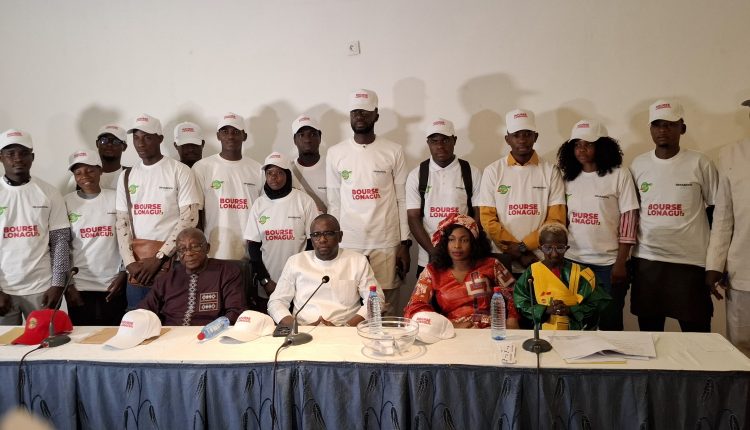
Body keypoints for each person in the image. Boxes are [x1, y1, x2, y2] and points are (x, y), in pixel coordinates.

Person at [630, 99, 718, 332]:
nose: (663, 130)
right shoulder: (639, 164)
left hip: (690, 263)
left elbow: (717, 212)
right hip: (647, 261)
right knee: (650, 334)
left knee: (697, 335)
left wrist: (716, 261)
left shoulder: (700, 163)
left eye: (670, 124)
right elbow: (632, 213)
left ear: (682, 128)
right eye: (657, 124)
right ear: (650, 129)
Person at [327, 89, 410, 316]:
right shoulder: (336, 153)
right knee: (349, 304)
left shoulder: (393, 151)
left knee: (386, 306)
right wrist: (335, 245)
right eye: (355, 112)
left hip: (386, 242)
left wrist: (404, 243)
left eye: (364, 112)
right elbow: (334, 203)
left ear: (376, 115)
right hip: (349, 243)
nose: (359, 116)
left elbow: (402, 199)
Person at [556, 120, 639, 331]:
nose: (581, 149)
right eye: (577, 144)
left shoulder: (619, 174)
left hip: (609, 264)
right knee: (578, 323)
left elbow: (629, 219)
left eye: (588, 144)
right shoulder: (568, 178)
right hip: (574, 262)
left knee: (610, 322)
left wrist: (621, 262)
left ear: (602, 146)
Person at [115, 113, 202, 310]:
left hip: (174, 263)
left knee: (175, 320)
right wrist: (129, 263)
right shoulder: (126, 175)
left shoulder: (179, 170)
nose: (140, 143)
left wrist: (159, 258)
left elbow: (189, 219)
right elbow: (122, 223)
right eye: (136, 137)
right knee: (138, 320)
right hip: (138, 268)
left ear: (160, 139)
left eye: (147, 137)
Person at [477, 108, 566, 277]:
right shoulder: (493, 171)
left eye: (527, 134)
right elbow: (488, 219)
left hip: (540, 257)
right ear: (507, 139)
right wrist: (517, 252)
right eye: (516, 135)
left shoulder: (551, 171)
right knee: (502, 295)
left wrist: (524, 247)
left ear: (535, 137)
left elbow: (556, 219)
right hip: (503, 257)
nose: (522, 140)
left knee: (540, 295)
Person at [0, 129, 74, 325]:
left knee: (45, 340)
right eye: (10, 153)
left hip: (42, 288)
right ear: (1, 157)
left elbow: (60, 241)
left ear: (32, 157)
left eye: (24, 153)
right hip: (4, 290)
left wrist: (57, 284)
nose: (18, 158)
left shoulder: (49, 193)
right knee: (5, 344)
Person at [403, 214, 519, 329]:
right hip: (451, 331)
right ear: (445, 243)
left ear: (473, 243)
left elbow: (515, 295)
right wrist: (450, 325)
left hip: (489, 330)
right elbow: (414, 308)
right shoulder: (432, 271)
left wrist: (512, 319)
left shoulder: (491, 265)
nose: (457, 246)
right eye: (451, 240)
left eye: (464, 240)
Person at [268, 214, 382, 327]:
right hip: (303, 329)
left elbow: (376, 299)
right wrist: (295, 327)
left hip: (345, 330)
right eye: (316, 235)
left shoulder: (357, 261)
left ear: (340, 236)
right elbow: (276, 302)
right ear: (311, 239)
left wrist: (346, 327)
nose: (322, 239)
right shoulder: (295, 262)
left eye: (328, 233)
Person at [406, 118, 481, 276]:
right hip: (428, 258)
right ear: (428, 143)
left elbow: (478, 213)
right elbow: (413, 218)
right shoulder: (417, 174)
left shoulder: (471, 172)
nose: (440, 146)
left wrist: (465, 246)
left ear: (454, 140)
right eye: (434, 141)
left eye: (445, 140)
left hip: (463, 260)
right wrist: (434, 252)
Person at [705, 99, 750, 356]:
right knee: (740, 348)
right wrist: (714, 264)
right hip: (742, 271)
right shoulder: (731, 154)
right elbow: (723, 217)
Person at [244, 152, 318, 308]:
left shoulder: (304, 201)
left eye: (279, 173)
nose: (274, 177)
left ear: (287, 175)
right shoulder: (259, 204)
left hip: (300, 283)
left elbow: (312, 244)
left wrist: (303, 276)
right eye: (269, 173)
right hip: (268, 285)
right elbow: (253, 248)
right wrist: (265, 281)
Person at [64, 150, 127, 325]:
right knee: (82, 336)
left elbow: (127, 237)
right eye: (78, 172)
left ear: (100, 170)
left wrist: (124, 273)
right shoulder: (66, 202)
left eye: (90, 170)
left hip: (113, 283)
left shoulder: (116, 197)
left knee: (114, 333)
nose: (84, 176)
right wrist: (69, 285)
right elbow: (62, 246)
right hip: (80, 285)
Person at [192, 112, 263, 260]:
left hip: (250, 252)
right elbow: (196, 213)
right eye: (225, 131)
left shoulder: (258, 169)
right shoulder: (202, 167)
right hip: (214, 252)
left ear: (244, 136)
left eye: (236, 132)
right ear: (218, 136)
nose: (230, 136)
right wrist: (200, 248)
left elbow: (264, 212)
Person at [138, 228, 245, 325]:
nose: (189, 253)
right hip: (171, 335)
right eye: (182, 249)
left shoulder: (227, 272)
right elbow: (144, 311)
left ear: (207, 248)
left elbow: (236, 311)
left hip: (211, 334)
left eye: (195, 247)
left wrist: (215, 330)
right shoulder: (166, 280)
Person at [514, 222, 610, 330]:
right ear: (540, 248)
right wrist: (545, 310)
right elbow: (521, 302)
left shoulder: (583, 273)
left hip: (576, 331)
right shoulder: (532, 272)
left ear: (567, 248)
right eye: (548, 248)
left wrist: (571, 310)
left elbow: (597, 303)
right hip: (541, 331)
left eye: (560, 248)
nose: (554, 254)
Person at [66, 124, 129, 192]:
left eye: (116, 141)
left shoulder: (132, 175)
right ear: (97, 144)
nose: (109, 144)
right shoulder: (77, 180)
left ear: (124, 147)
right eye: (104, 140)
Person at [291, 114, 327, 213]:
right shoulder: (286, 171)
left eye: (312, 134)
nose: (307, 140)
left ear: (320, 136)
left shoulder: (332, 166)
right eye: (301, 135)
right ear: (294, 140)